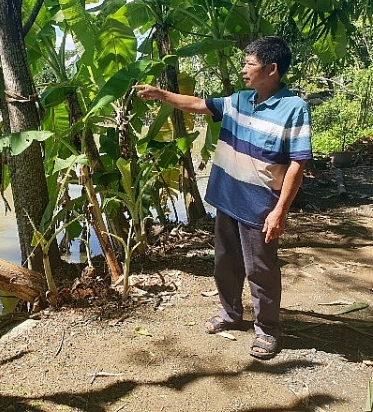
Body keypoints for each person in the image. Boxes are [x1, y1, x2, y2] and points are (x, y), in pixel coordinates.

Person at [133, 36, 312, 359]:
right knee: (225, 264)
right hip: (228, 199)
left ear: (272, 69)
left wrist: (279, 212)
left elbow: (298, 164)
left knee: (261, 269)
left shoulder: (293, 109)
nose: (244, 69)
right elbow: (199, 105)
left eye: (250, 64)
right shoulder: (240, 100)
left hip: (259, 206)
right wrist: (162, 95)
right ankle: (231, 315)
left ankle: (268, 330)